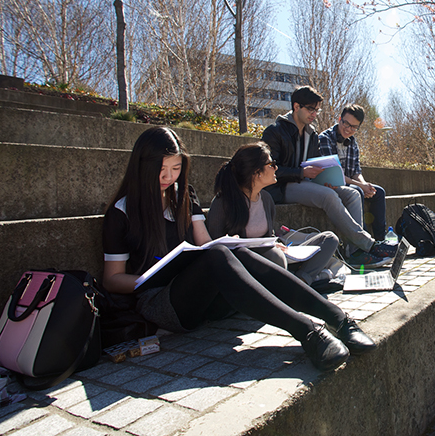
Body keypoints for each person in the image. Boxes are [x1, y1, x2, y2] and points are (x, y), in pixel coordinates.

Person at [101, 127, 375, 371]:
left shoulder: (184, 196)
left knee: (232, 252)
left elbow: (206, 244)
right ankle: (309, 332)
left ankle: (340, 320)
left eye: (176, 169)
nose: (169, 177)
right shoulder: (121, 212)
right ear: (143, 166)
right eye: (162, 170)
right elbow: (111, 279)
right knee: (220, 254)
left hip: (206, 300)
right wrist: (148, 277)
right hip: (161, 303)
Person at [261, 86, 396, 266]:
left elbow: (317, 164)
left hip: (306, 183)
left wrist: (326, 179)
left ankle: (354, 252)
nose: (314, 114)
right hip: (282, 186)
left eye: (317, 110)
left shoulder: (312, 134)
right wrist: (301, 173)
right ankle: (368, 245)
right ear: (296, 106)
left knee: (354, 194)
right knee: (329, 196)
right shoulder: (275, 131)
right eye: (310, 109)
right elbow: (271, 169)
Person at [206, 142, 345, 292]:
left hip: (270, 256)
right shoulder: (224, 202)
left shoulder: (266, 199)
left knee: (329, 239)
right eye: (272, 164)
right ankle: (296, 285)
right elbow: (214, 247)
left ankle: (301, 282)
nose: (276, 168)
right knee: (276, 257)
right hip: (246, 264)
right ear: (256, 172)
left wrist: (274, 243)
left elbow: (267, 235)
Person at [319, 104, 387, 241]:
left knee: (379, 192)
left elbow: (356, 170)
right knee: (358, 191)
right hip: (331, 183)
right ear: (340, 119)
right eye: (346, 123)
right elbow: (333, 173)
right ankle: (366, 242)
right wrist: (361, 186)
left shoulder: (353, 143)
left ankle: (381, 239)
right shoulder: (325, 138)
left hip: (350, 182)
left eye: (354, 127)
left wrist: (364, 183)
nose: (348, 129)